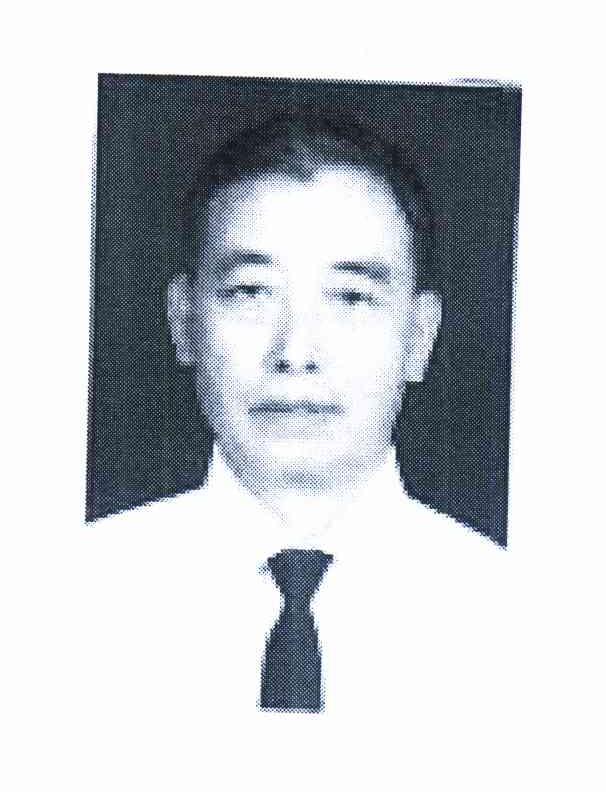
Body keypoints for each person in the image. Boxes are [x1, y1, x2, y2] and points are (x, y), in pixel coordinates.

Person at [104, 114, 507, 719]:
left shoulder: (519, 617)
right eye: (250, 292)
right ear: (184, 322)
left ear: (420, 338)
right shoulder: (69, 597)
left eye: (351, 298)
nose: (296, 352)